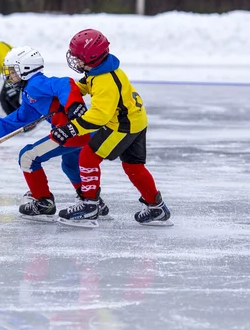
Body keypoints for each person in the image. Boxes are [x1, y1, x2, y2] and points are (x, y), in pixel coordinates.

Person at [50, 29, 172, 227]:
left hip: (122, 126)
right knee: (133, 166)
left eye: (78, 58)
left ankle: (89, 206)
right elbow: (85, 87)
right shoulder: (100, 70)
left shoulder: (105, 80)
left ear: (91, 57)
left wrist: (70, 129)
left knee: (88, 156)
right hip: (137, 121)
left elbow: (98, 117)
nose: (75, 61)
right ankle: (156, 207)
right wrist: (64, 93)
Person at [0, 46, 110, 220]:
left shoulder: (36, 84)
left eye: (12, 72)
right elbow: (23, 116)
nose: (9, 76)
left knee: (27, 156)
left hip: (71, 132)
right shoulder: (29, 92)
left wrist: (73, 105)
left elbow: (65, 83)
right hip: (78, 133)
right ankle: (90, 200)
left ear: (25, 69)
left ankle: (43, 202)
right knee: (70, 165)